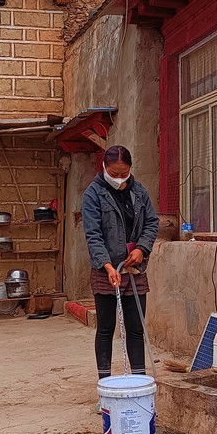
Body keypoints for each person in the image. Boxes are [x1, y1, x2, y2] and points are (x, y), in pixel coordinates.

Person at [81, 146, 160, 382]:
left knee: (135, 328)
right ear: (104, 167)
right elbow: (93, 235)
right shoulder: (93, 194)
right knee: (106, 329)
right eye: (113, 173)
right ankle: (105, 383)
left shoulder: (139, 191)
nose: (119, 178)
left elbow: (152, 223)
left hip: (134, 268)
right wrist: (107, 265)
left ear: (130, 169)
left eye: (123, 173)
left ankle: (139, 382)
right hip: (105, 270)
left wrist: (141, 248)